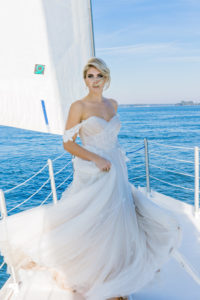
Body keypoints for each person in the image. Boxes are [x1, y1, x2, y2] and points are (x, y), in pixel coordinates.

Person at [0, 57, 182, 300]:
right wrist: (96, 159)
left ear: (106, 78)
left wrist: (112, 160)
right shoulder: (79, 106)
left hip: (117, 168)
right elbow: (67, 143)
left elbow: (112, 138)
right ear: (84, 79)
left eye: (99, 76)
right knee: (94, 222)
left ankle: (116, 278)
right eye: (90, 76)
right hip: (95, 170)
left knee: (118, 222)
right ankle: (97, 278)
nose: (94, 80)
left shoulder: (113, 104)